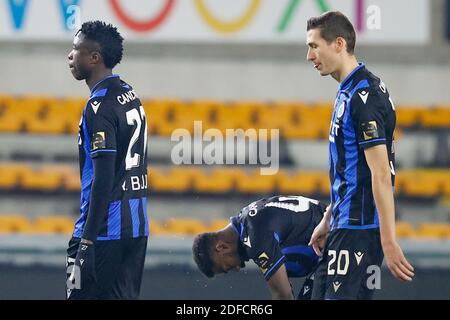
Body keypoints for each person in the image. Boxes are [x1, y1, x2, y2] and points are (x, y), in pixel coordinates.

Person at [305, 11, 414, 300]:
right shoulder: (348, 91)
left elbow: (380, 172)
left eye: (314, 46)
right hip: (343, 225)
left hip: (359, 231)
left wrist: (388, 241)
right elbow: (350, 168)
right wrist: (329, 217)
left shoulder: (364, 96)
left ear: (338, 43)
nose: (309, 55)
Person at [65, 21, 149, 299]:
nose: (70, 56)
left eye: (76, 49)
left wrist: (86, 242)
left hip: (103, 233)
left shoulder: (99, 106)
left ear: (94, 57)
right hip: (136, 228)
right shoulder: (129, 94)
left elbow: (104, 178)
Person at [192, 195, 328, 300]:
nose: (238, 268)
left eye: (227, 267)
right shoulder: (248, 219)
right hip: (334, 245)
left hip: (338, 246)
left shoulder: (254, 235)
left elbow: (283, 295)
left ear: (221, 247)